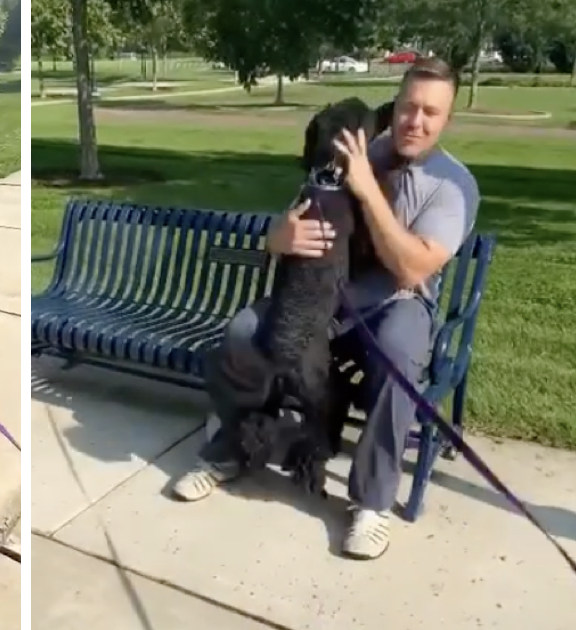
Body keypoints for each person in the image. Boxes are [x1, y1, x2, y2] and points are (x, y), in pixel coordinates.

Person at [170, 56, 480, 561]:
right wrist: (279, 235)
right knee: (244, 333)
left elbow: (411, 269)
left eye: (431, 112)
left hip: (395, 305)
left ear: (446, 119)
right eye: (408, 107)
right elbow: (299, 209)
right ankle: (229, 450)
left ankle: (372, 503)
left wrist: (364, 188)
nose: (416, 121)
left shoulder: (453, 186)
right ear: (393, 105)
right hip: (323, 299)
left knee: (401, 352)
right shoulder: (357, 143)